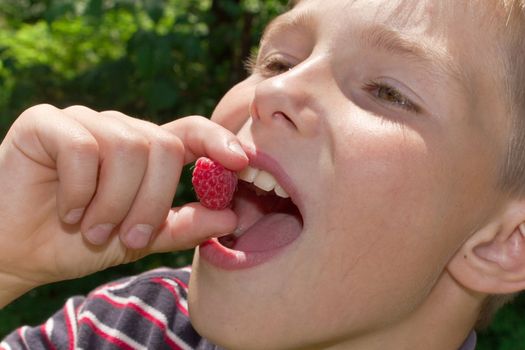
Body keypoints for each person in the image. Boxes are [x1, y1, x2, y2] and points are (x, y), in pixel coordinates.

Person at [1, 0, 525, 348]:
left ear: (503, 244)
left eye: (387, 92)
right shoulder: (126, 327)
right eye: (277, 62)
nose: (272, 90)